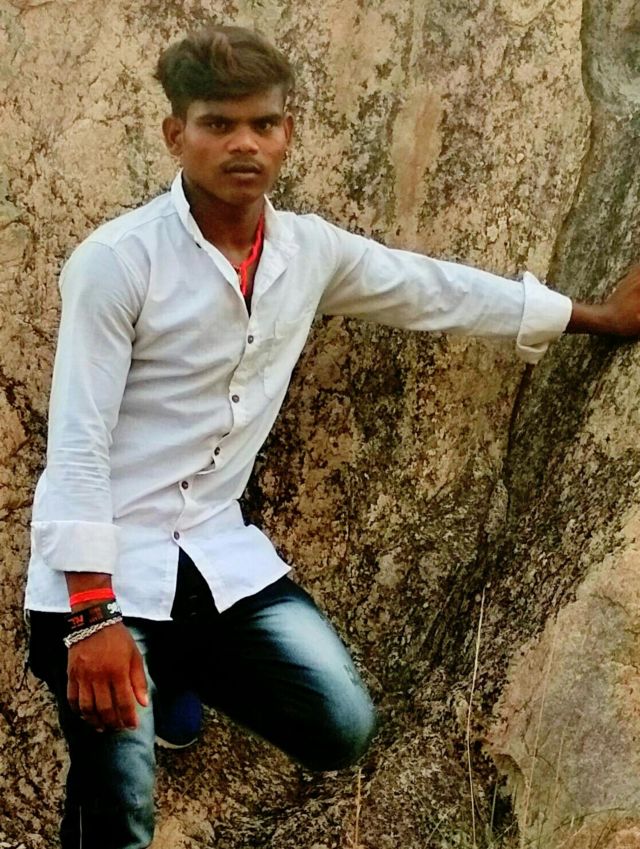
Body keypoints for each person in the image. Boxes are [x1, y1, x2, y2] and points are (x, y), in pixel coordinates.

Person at [25, 22, 640, 849]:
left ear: (288, 132)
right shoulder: (117, 261)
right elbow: (76, 444)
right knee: (120, 814)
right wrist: (92, 619)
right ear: (176, 134)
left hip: (213, 554)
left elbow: (433, 290)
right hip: (101, 577)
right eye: (217, 124)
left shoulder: (306, 252)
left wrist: (592, 316)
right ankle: (136, 677)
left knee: (341, 727)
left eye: (263, 123)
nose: (244, 143)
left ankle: (171, 668)